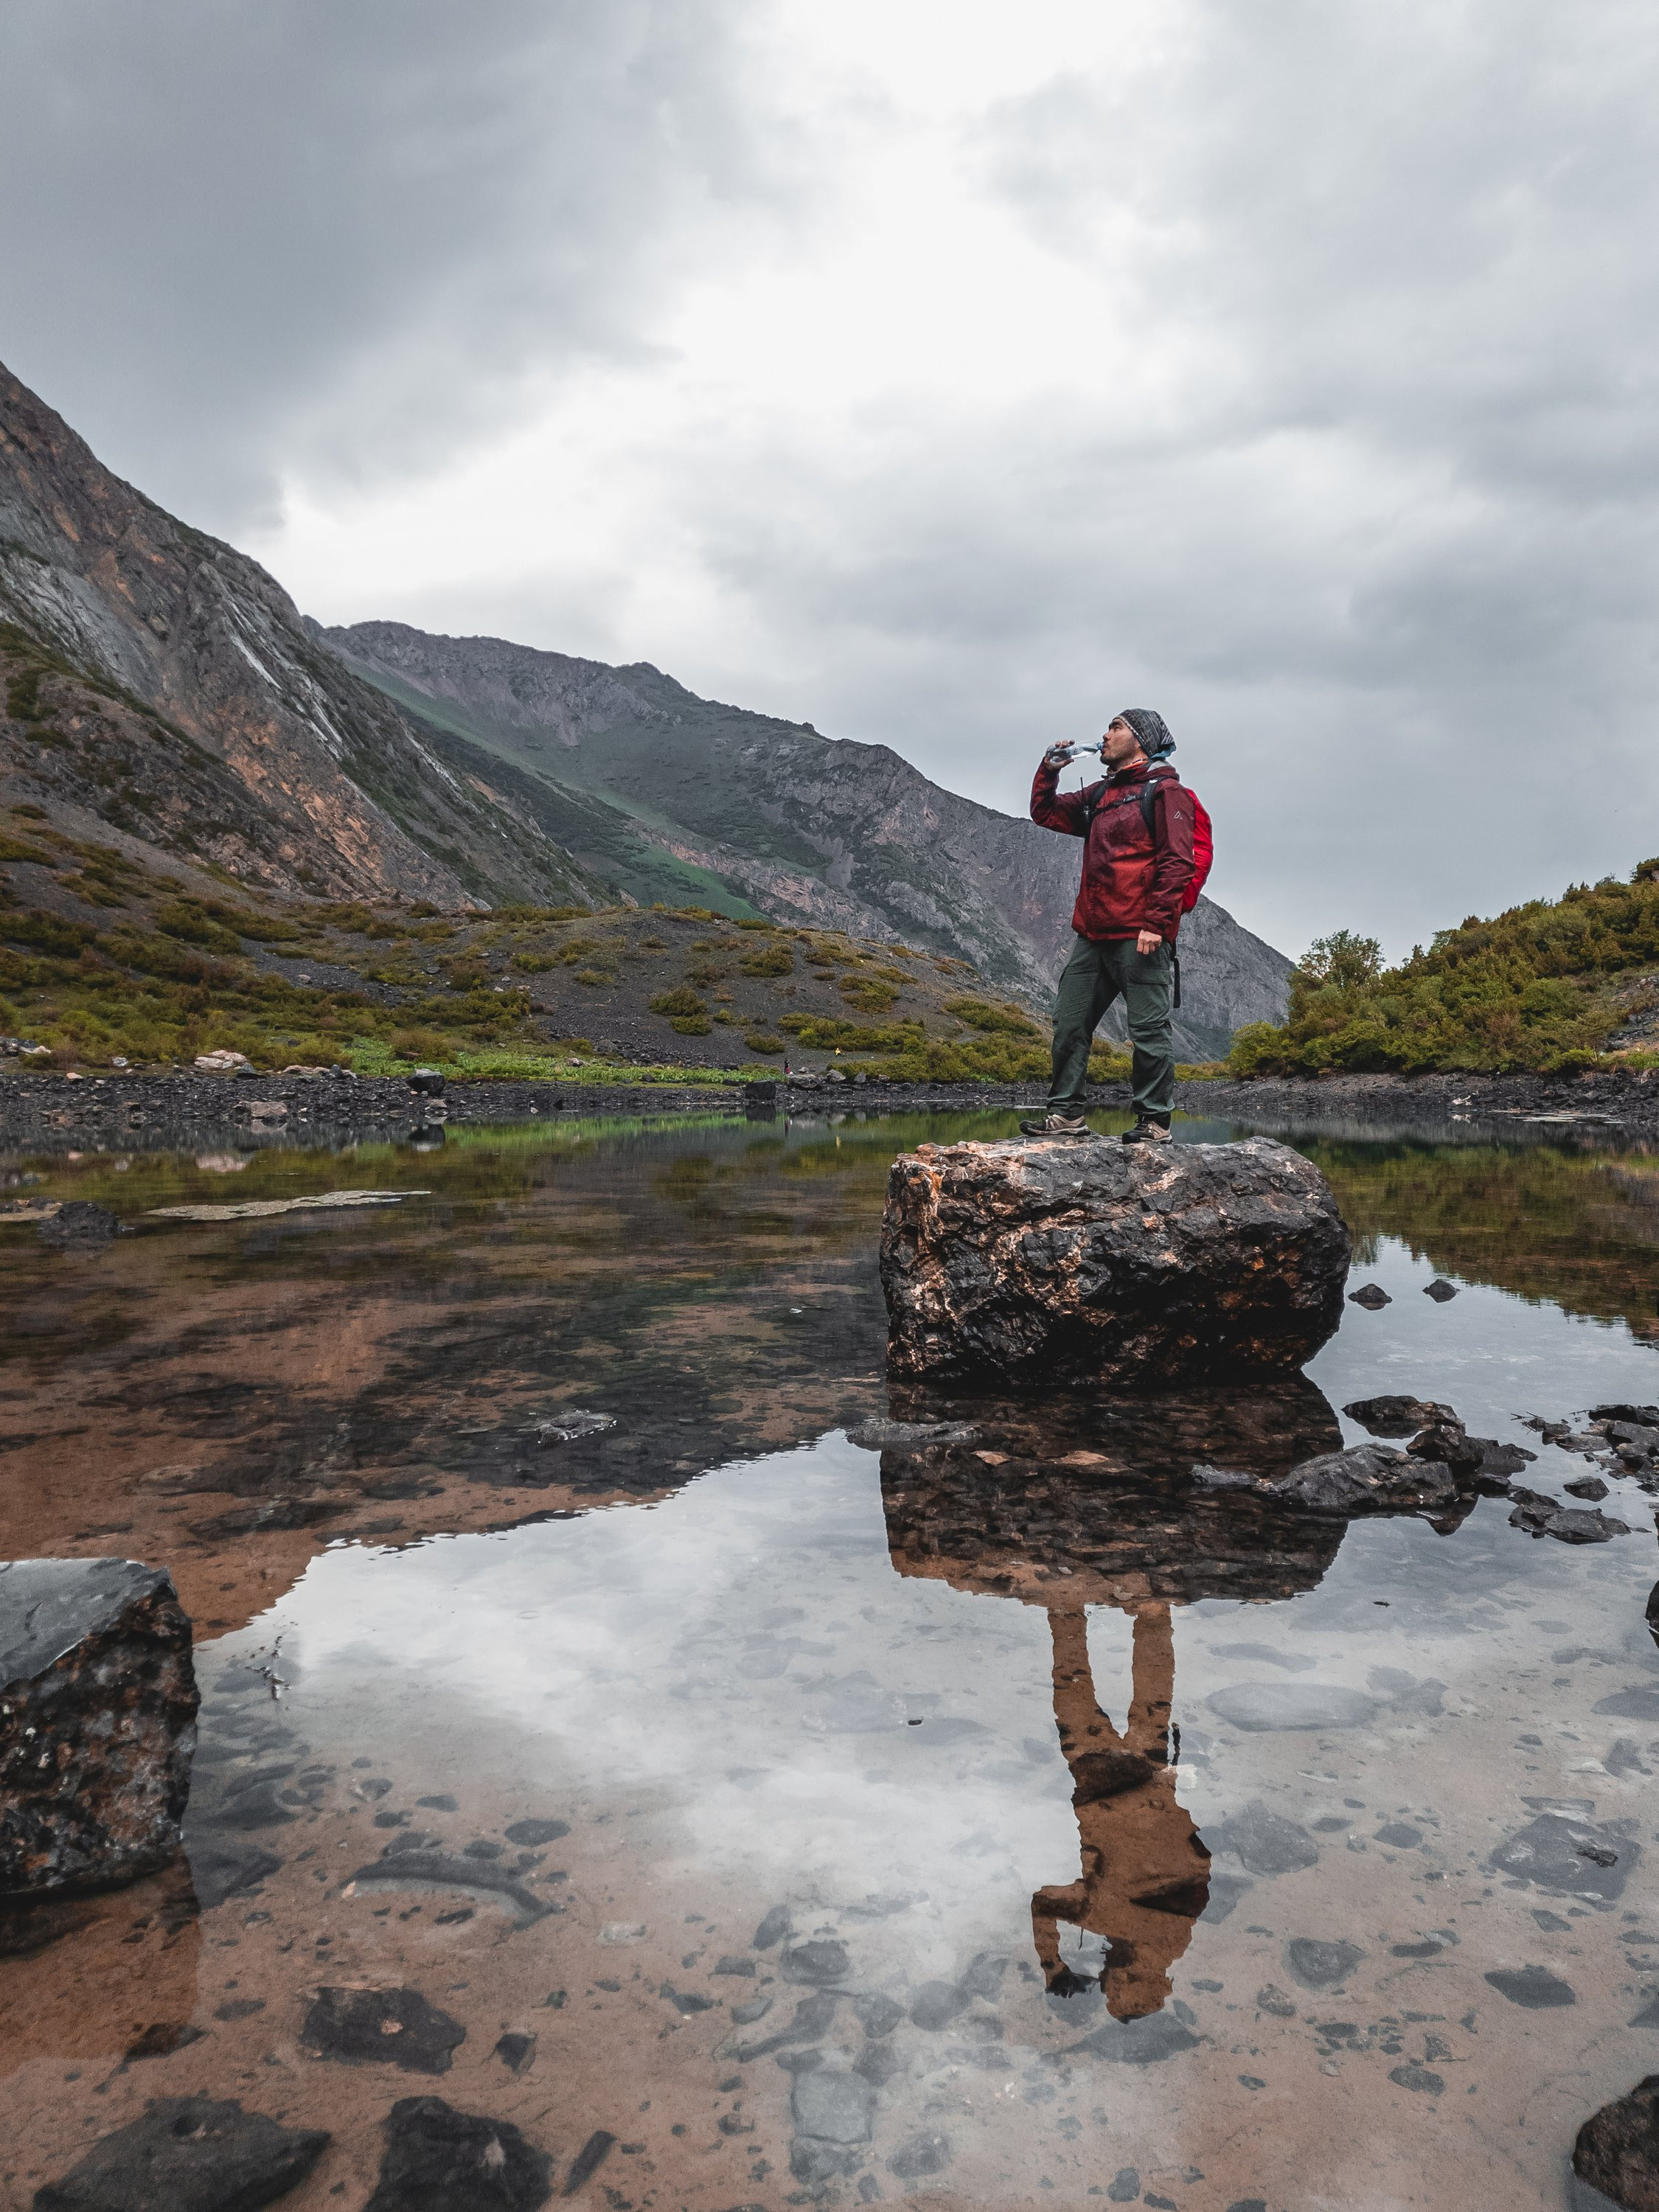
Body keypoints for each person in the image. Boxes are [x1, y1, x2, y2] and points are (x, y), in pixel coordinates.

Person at [1021, 707, 1195, 1144]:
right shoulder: (1101, 793)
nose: (1105, 735)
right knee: (1068, 1025)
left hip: (1141, 935)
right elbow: (1045, 813)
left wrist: (1156, 923)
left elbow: (1178, 862)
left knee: (1148, 1032)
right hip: (1092, 935)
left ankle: (1154, 1122)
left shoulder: (1167, 793)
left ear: (1141, 740)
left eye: (1116, 727)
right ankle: (1066, 1116)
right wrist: (1049, 772)